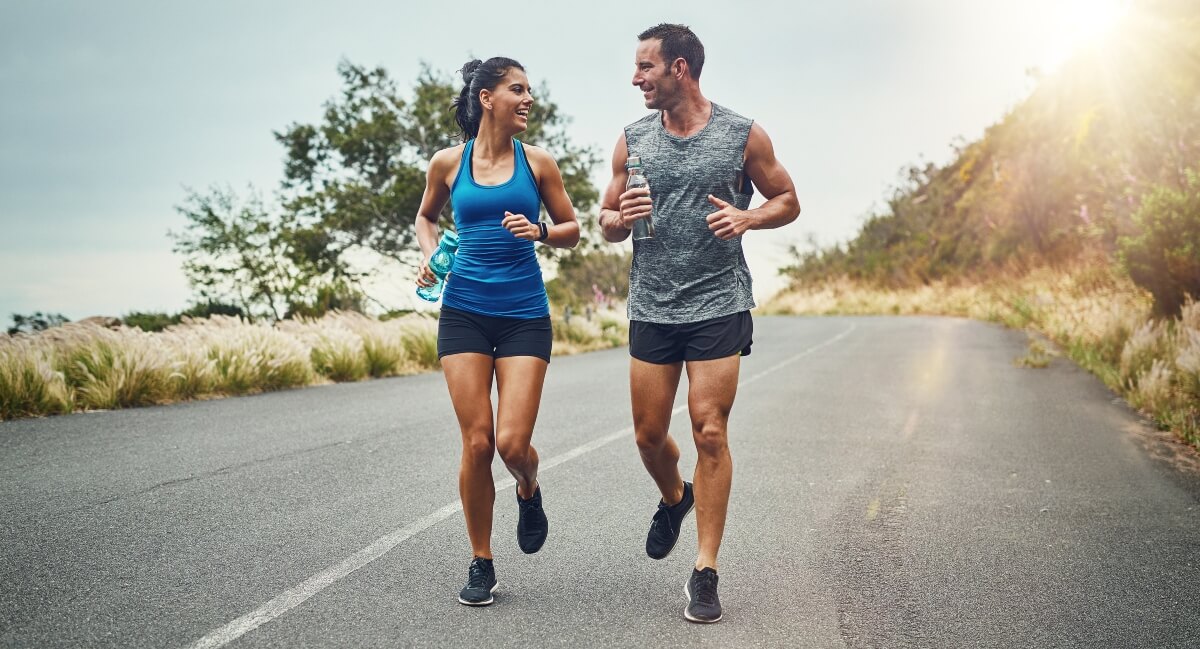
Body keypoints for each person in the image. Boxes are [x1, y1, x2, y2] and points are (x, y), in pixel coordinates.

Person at [599, 24, 800, 623]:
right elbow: (606, 219)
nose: (636, 78)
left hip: (719, 301)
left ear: (680, 68)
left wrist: (748, 218)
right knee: (647, 435)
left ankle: (705, 570)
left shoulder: (741, 134)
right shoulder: (632, 140)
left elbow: (787, 198)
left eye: (645, 68)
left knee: (709, 429)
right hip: (653, 303)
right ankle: (674, 496)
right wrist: (618, 218)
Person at [414, 56, 580, 606]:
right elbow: (426, 218)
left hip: (523, 314)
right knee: (478, 441)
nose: (528, 98)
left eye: (530, 89)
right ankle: (481, 562)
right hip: (462, 310)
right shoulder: (447, 162)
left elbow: (572, 230)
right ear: (487, 97)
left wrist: (537, 230)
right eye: (518, 89)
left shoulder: (538, 165)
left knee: (511, 442)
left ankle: (528, 488)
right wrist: (432, 256)